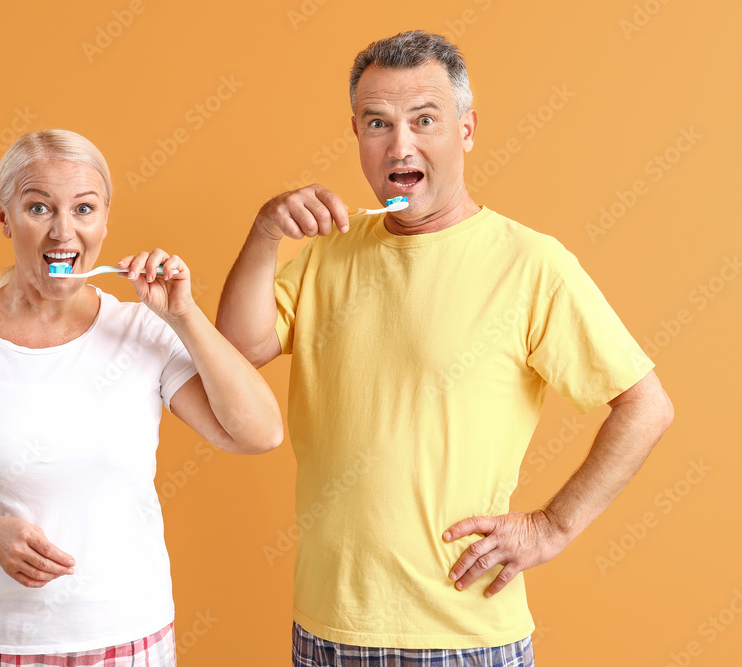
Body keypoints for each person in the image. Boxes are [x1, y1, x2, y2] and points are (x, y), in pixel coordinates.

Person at [215, 30, 673, 666]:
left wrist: (551, 527)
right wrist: (265, 233)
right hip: (329, 627)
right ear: (357, 134)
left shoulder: (531, 264)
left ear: (467, 128)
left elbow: (647, 406)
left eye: (423, 119)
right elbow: (237, 349)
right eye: (378, 123)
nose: (399, 143)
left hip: (464, 635)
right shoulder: (328, 252)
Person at [0, 129, 282, 666]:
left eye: (83, 209)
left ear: (105, 219)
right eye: (39, 207)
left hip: (126, 638)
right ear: (4, 216)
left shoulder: (144, 329)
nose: (63, 231)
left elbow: (258, 433)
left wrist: (183, 316)